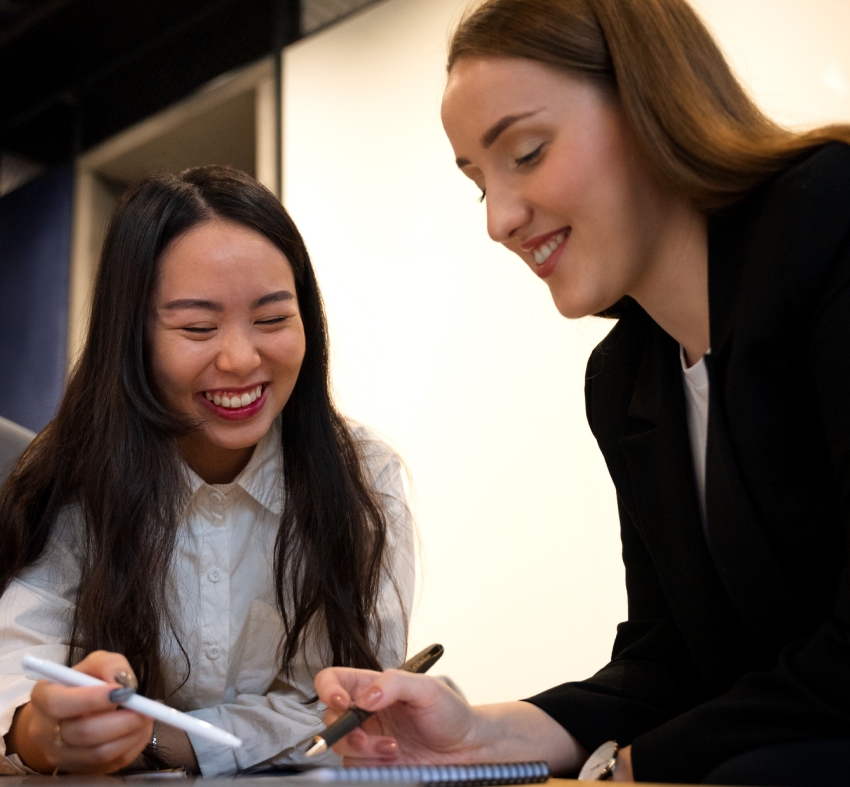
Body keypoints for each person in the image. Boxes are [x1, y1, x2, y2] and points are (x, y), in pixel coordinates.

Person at [313, 0, 850, 784]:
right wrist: (471, 732)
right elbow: (668, 663)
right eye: (478, 183)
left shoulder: (826, 219)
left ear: (650, 102)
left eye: (525, 153)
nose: (499, 219)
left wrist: (639, 765)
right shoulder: (627, 377)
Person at [0, 166, 414, 777]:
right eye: (197, 328)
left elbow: (343, 706)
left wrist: (157, 744)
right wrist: (43, 731)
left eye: (273, 319)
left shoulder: (362, 478)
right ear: (132, 336)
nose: (242, 359)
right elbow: (16, 674)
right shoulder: (74, 474)